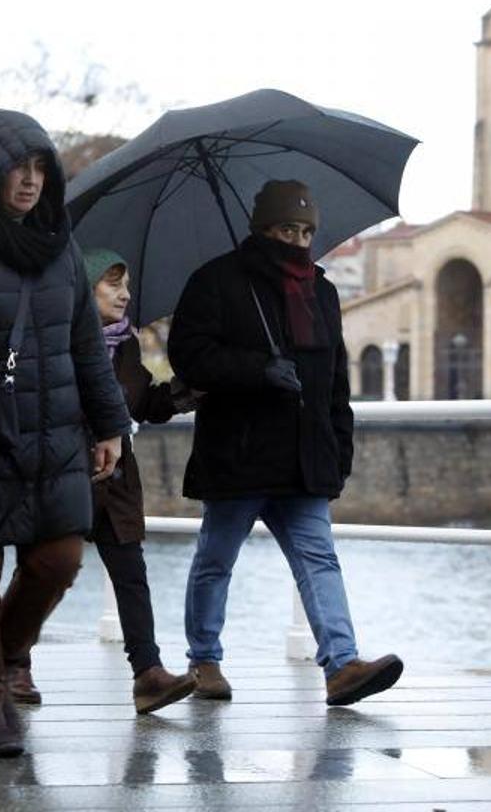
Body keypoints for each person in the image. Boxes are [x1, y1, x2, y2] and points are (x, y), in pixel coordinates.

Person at [168, 179, 402, 706]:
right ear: (262, 229)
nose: (296, 240)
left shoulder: (321, 290)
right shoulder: (216, 282)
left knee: (320, 559)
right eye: (285, 229)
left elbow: (335, 380)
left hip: (304, 456)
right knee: (216, 558)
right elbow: (190, 355)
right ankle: (204, 659)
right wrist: (258, 369)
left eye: (304, 231)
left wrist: (340, 448)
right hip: (240, 452)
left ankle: (342, 665)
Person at [0, 108, 131, 757]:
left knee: (59, 560)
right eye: (14, 169)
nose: (28, 182)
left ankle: (4, 653)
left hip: (55, 434)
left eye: (38, 170)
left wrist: (110, 424)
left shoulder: (60, 244)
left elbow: (87, 346)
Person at [15, 248, 199, 714]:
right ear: (86, 288)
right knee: (45, 572)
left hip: (115, 479)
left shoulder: (129, 344)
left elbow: (137, 404)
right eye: (112, 284)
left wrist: (186, 391)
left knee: (131, 575)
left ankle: (148, 674)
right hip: (64, 472)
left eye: (127, 284)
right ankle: (14, 664)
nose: (125, 294)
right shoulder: (54, 342)